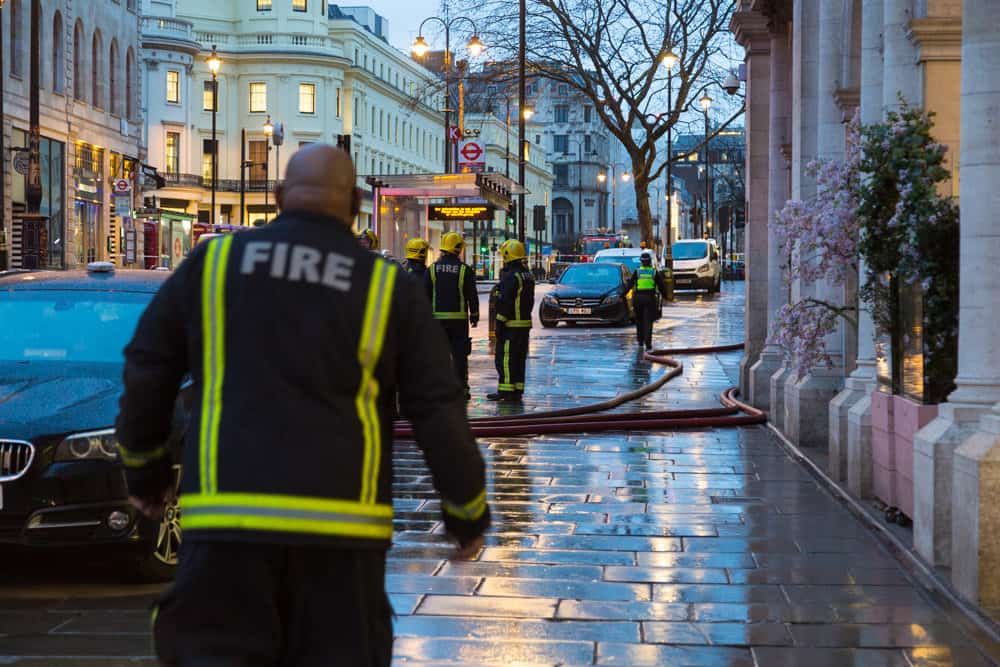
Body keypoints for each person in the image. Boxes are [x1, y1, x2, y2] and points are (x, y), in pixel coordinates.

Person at [116, 144, 490, 667]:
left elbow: (148, 366)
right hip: (340, 540)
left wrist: (145, 474)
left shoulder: (215, 263)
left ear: (277, 197)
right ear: (357, 205)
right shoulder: (386, 288)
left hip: (225, 531)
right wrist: (466, 513)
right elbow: (437, 407)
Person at [424, 232, 479, 399]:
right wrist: (474, 315)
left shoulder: (432, 269)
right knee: (460, 356)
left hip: (436, 321)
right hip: (458, 321)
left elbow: (424, 294)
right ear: (458, 249)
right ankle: (461, 389)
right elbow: (472, 295)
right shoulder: (464, 270)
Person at [488, 239, 535, 402]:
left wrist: (499, 322)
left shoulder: (511, 276)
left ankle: (506, 390)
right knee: (519, 358)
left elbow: (506, 301)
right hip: (524, 324)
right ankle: (517, 390)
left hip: (510, 325)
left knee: (505, 358)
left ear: (508, 255)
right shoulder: (527, 275)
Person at [626, 249, 670, 350]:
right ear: (649, 262)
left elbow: (629, 285)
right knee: (648, 321)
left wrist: (622, 294)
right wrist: (667, 297)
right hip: (650, 298)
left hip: (638, 298)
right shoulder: (654, 272)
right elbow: (661, 286)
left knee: (639, 320)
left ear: (641, 262)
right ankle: (648, 343)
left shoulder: (637, 272)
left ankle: (640, 341)